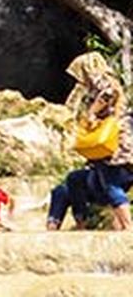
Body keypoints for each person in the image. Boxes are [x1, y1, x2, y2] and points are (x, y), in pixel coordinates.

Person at [47, 53, 133, 231]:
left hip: (113, 146)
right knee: (101, 183)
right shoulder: (109, 82)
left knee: (111, 184)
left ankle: (127, 225)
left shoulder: (102, 81)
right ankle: (112, 224)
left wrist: (92, 113)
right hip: (117, 145)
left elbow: (108, 94)